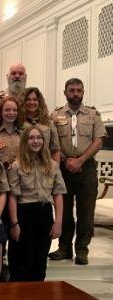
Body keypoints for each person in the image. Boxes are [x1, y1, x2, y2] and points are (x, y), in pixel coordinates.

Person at [49, 78, 107, 265]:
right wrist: (66, 161)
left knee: (86, 212)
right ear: (65, 93)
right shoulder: (55, 115)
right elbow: (52, 141)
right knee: (64, 211)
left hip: (86, 167)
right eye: (72, 90)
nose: (75, 94)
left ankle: (82, 250)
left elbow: (98, 140)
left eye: (79, 90)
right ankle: (64, 248)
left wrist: (80, 160)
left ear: (83, 92)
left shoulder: (93, 115)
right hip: (63, 167)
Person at [8, 126, 65, 281]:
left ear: (43, 141)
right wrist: (14, 224)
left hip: (44, 213)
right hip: (24, 213)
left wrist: (58, 222)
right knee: (22, 261)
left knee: (40, 262)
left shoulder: (52, 165)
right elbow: (12, 196)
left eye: (39, 138)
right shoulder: (16, 166)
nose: (35, 141)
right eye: (31, 138)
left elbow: (58, 194)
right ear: (25, 142)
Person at [21, 87, 61, 163]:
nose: (31, 102)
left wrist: (55, 171)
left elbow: (55, 150)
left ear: (40, 102)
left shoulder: (49, 123)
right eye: (28, 99)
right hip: (24, 166)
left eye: (35, 99)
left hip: (45, 167)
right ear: (23, 102)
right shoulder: (18, 123)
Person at [0, 96, 24, 168]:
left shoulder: (23, 134)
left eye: (14, 110)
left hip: (18, 175)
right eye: (7, 110)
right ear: (0, 112)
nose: (11, 113)